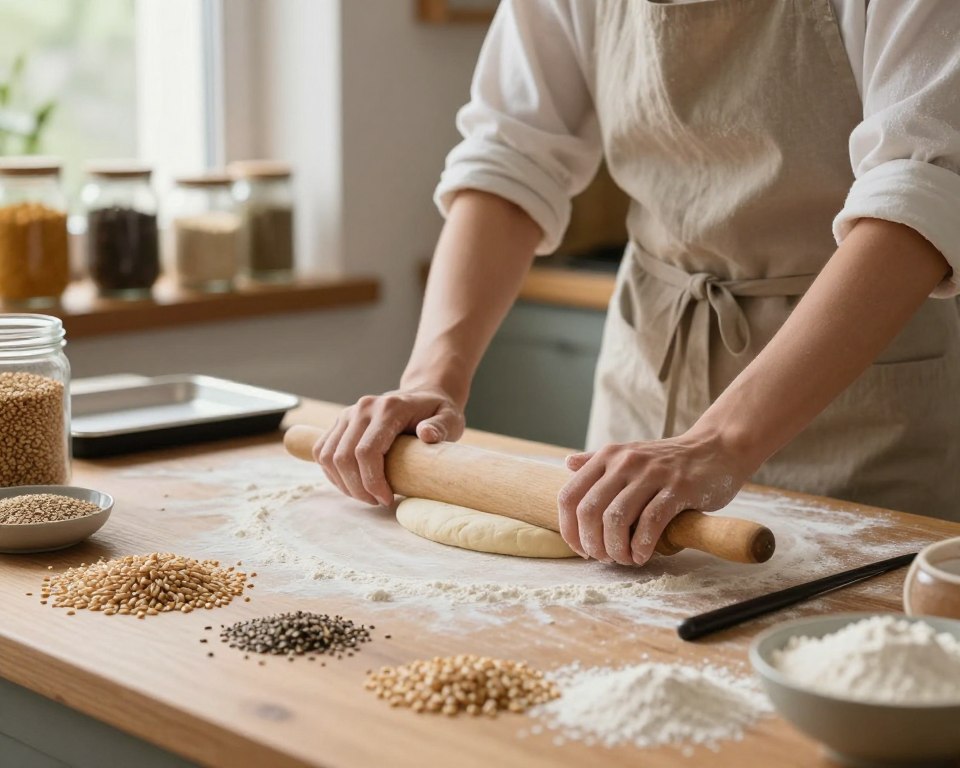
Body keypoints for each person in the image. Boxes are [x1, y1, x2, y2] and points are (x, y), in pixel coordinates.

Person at [316, 0, 960, 566]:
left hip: (863, 389)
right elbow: (510, 159)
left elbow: (918, 194)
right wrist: (431, 380)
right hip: (649, 367)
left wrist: (717, 442)